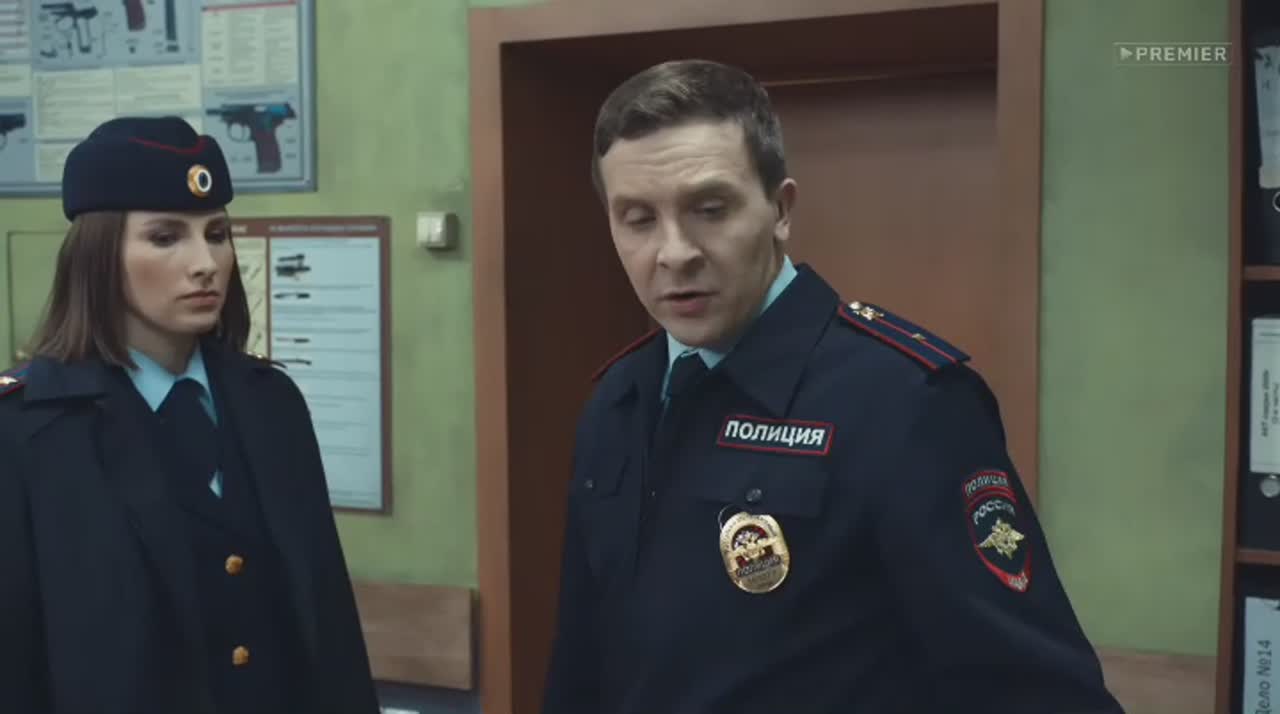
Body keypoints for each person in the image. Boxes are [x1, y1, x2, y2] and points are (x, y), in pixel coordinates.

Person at [541, 60, 1125, 713]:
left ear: (780, 210)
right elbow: (581, 667)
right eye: (638, 219)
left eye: (710, 210)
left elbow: (1037, 693)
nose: (674, 252)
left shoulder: (906, 400)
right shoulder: (618, 400)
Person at [0, 117, 380, 714]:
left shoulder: (271, 404)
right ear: (99, 256)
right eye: (165, 237)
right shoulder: (29, 430)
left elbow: (329, 629)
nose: (206, 262)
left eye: (218, 234)